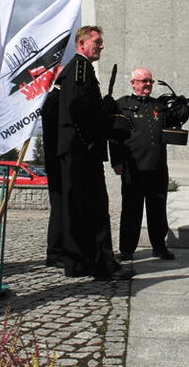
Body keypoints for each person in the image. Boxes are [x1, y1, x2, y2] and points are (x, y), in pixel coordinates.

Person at [55, 26, 135, 280]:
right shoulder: (80, 68)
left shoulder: (78, 68)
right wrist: (90, 140)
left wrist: (102, 109)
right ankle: (104, 265)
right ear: (82, 44)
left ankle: (79, 264)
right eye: (97, 41)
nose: (101, 46)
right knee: (97, 208)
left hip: (75, 150)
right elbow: (77, 108)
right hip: (82, 150)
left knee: (78, 209)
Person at [110, 67, 189, 261]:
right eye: (144, 81)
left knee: (158, 209)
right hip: (133, 167)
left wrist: (181, 108)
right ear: (133, 83)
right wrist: (117, 162)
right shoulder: (122, 104)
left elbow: (174, 122)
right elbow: (114, 137)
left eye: (150, 81)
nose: (148, 84)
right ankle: (127, 249)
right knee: (131, 210)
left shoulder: (159, 105)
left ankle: (159, 246)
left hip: (157, 166)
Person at [42, 83, 63, 268]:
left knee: (62, 208)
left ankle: (59, 251)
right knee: (59, 209)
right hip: (58, 163)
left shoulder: (54, 99)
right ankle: (55, 253)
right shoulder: (55, 100)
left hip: (58, 163)